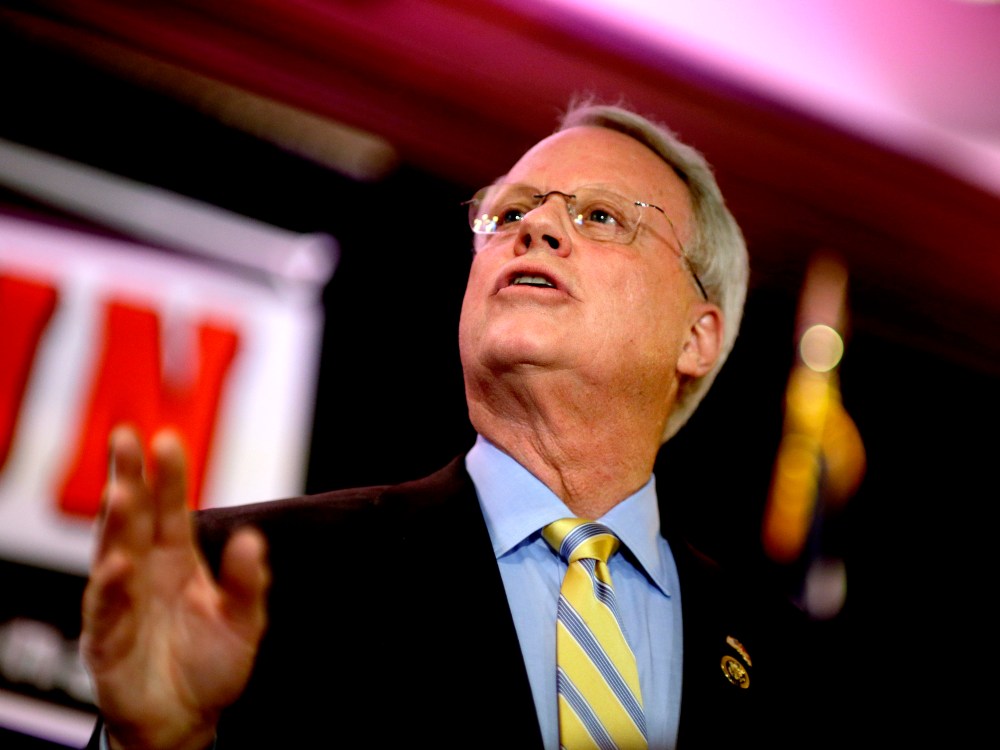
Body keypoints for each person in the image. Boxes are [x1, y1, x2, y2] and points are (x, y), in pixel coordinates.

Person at [80, 101, 816, 750]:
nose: (537, 227)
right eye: (508, 213)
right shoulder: (255, 576)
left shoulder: (796, 670)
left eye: (601, 216)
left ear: (697, 337)